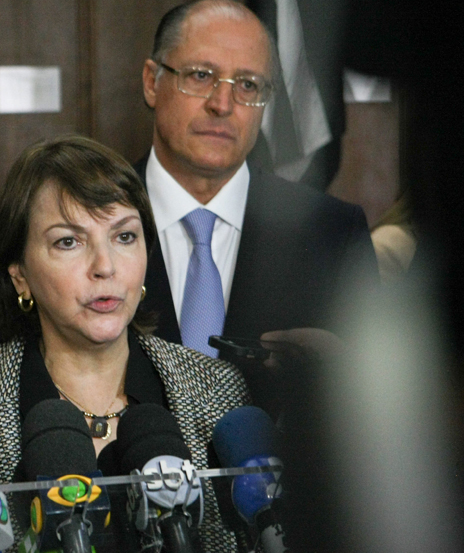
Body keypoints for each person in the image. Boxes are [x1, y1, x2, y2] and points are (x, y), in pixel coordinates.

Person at [0, 135, 251, 553]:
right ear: (20, 274)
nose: (104, 265)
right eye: (68, 241)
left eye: (125, 236)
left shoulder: (218, 393)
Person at [134, 0, 378, 409]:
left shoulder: (334, 235)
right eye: (200, 75)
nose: (223, 104)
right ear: (151, 82)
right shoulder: (82, 220)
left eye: (248, 85)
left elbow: (371, 407)